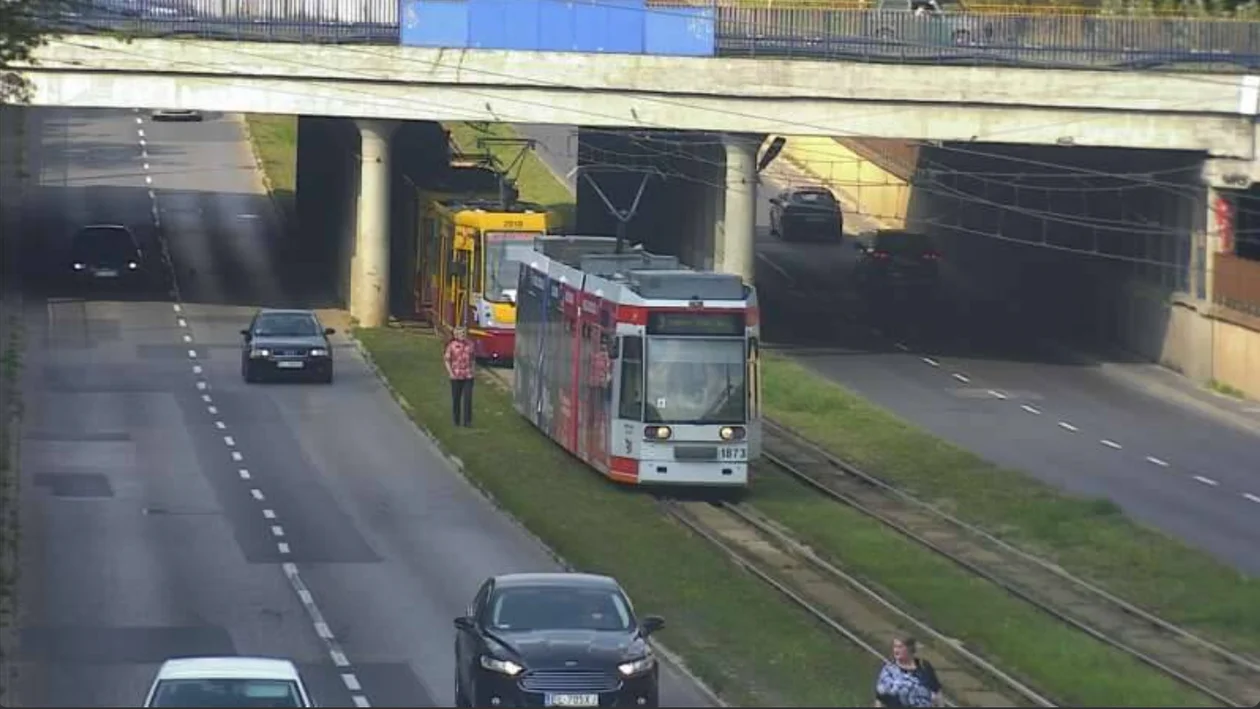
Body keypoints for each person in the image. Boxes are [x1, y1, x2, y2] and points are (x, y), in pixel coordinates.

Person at [874, 636, 942, 707]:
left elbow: (937, 692)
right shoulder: (889, 670)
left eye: (900, 647)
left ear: (909, 649)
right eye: (895, 647)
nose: (896, 650)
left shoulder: (924, 666)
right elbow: (880, 698)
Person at [444, 326, 475, 427]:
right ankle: (456, 420)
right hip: (456, 376)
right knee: (456, 399)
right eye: (460, 334)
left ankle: (467, 421)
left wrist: (473, 370)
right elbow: (447, 360)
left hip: (468, 375)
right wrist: (450, 373)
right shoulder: (451, 346)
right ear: (455, 335)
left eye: (463, 333)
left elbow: (473, 358)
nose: (462, 335)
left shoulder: (470, 345)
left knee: (468, 398)